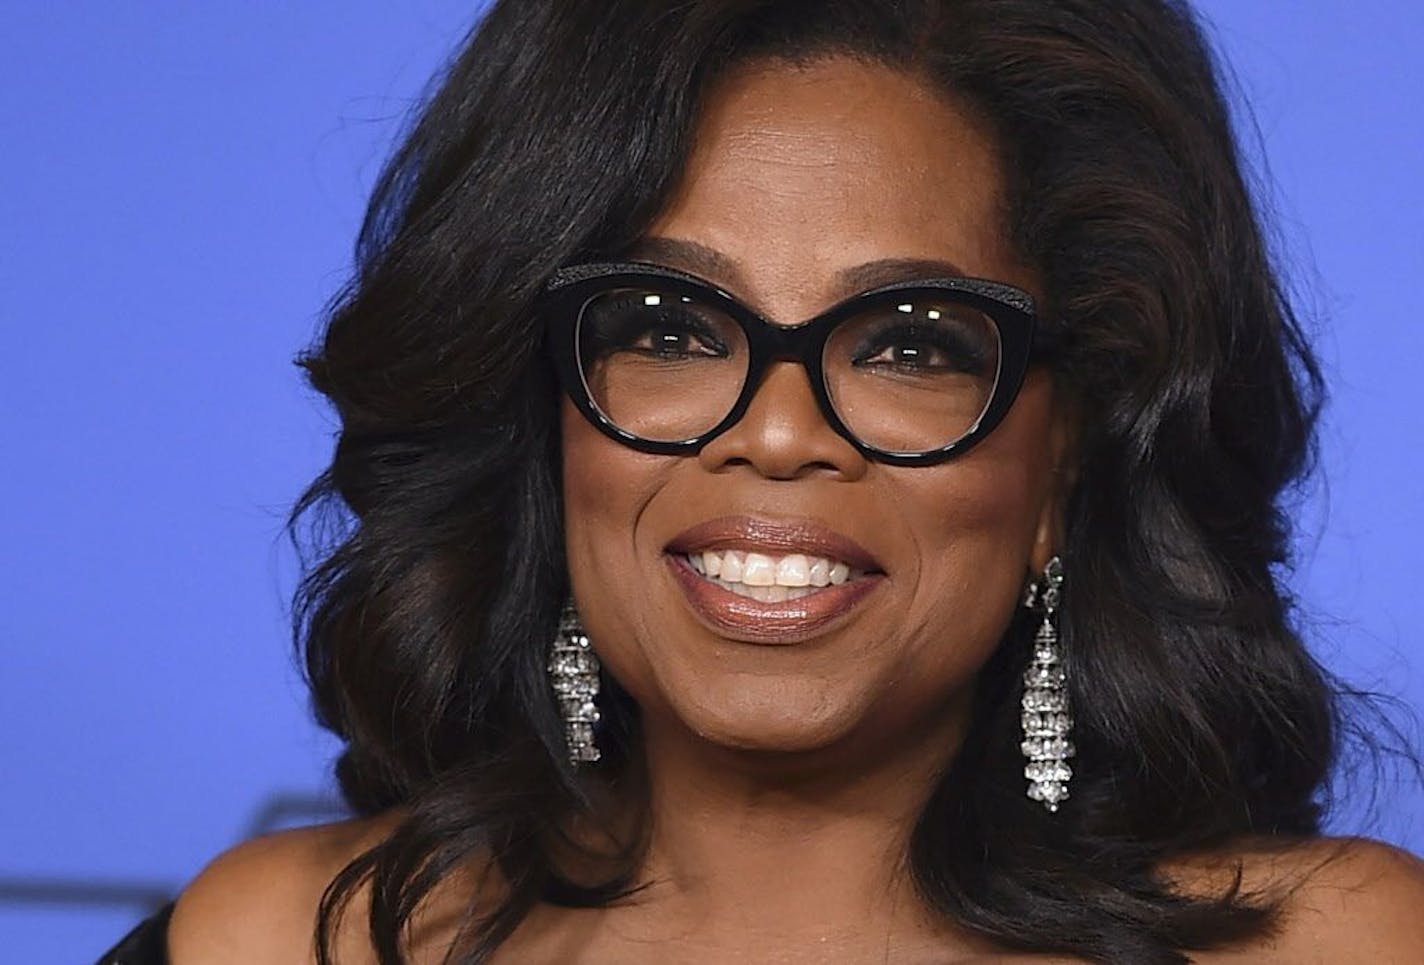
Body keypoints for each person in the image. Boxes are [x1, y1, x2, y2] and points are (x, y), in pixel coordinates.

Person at [101, 1, 1424, 962]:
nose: (781, 433)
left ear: (1060, 462)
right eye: (669, 326)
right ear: (547, 415)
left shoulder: (1334, 944)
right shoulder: (284, 941)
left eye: (912, 342)